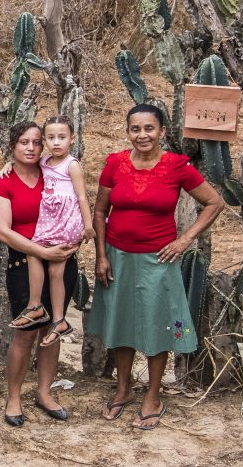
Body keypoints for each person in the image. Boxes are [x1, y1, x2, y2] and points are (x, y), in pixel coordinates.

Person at [90, 103, 224, 430]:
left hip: (158, 260)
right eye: (135, 129)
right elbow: (99, 211)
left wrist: (184, 240)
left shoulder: (177, 167)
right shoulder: (115, 164)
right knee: (122, 325)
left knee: (157, 326)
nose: (142, 135)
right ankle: (123, 389)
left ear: (162, 132)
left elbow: (214, 202)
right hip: (118, 257)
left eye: (149, 128)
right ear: (128, 132)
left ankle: (153, 395)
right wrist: (101, 255)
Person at [0, 122, 79, 427]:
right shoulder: (2, 183)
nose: (30, 148)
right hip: (25, 263)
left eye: (36, 142)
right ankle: (13, 397)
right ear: (12, 146)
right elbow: (3, 231)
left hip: (61, 260)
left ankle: (44, 392)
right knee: (24, 333)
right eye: (23, 142)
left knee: (52, 328)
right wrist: (43, 252)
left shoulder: (53, 171)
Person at [10, 117, 94, 347]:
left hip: (66, 220)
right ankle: (56, 318)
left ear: (72, 139)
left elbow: (82, 196)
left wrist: (88, 225)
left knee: (43, 259)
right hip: (50, 220)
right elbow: (22, 166)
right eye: (51, 138)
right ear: (45, 140)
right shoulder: (45, 161)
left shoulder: (71, 164)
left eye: (62, 137)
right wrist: (7, 165)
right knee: (47, 264)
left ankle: (40, 308)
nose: (56, 142)